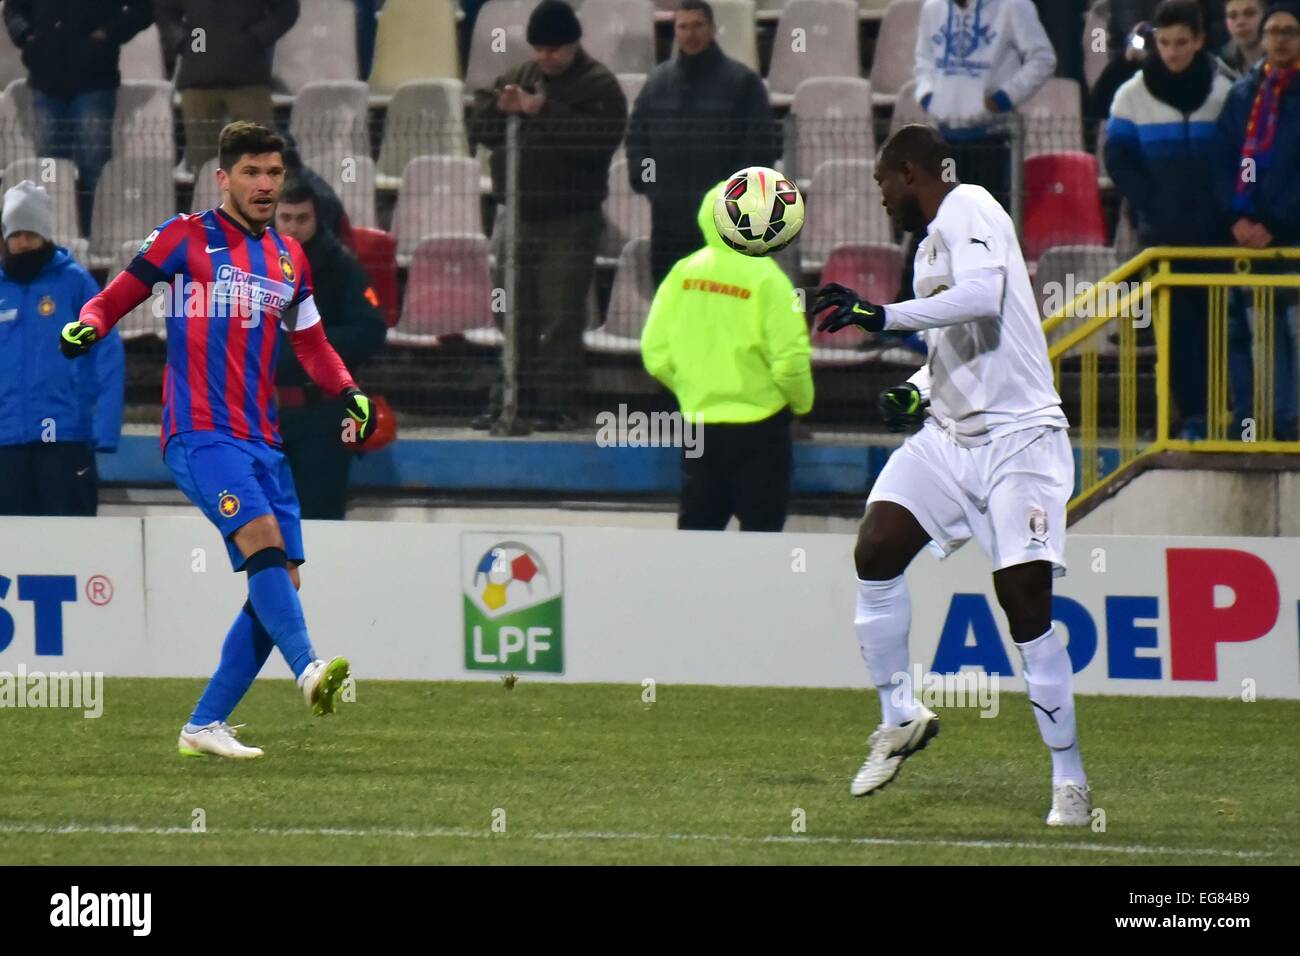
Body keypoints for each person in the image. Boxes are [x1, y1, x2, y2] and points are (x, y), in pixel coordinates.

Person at [59, 122, 379, 759]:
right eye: (252, 173)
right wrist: (89, 322)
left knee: (281, 579)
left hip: (265, 438)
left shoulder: (289, 256)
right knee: (261, 541)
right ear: (223, 177)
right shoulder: (186, 237)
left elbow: (310, 340)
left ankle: (204, 725)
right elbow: (120, 293)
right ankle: (310, 669)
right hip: (200, 432)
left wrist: (347, 388)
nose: (265, 185)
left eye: (274, 173)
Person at [812, 125, 1090, 826]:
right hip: (951, 438)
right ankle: (899, 715)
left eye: (882, 184)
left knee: (1025, 606)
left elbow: (982, 299)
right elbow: (955, 345)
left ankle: (1069, 780)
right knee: (876, 549)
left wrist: (879, 315)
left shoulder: (970, 206)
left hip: (1019, 438)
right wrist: (919, 386)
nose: (880, 199)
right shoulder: (931, 246)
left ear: (909, 173)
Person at [469, 0, 627, 432]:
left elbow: (599, 141)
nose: (546, 57)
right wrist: (498, 109)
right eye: (540, 49)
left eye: (555, 49)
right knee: (513, 312)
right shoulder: (519, 77)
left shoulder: (599, 86)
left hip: (570, 219)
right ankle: (509, 398)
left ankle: (556, 403)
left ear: (575, 44)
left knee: (560, 313)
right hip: (517, 212)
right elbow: (480, 128)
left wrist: (542, 111)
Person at [640, 181, 813, 531]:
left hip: (699, 422)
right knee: (761, 538)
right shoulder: (771, 280)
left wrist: (691, 388)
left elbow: (654, 353)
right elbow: (791, 360)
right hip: (761, 427)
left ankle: (695, 589)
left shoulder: (682, 273)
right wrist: (801, 403)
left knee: (697, 538)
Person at [1106, 0, 1235, 439]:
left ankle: (1231, 417)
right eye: (1164, 43)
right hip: (1162, 240)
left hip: (1220, 239)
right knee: (1177, 337)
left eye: (1182, 42)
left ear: (1199, 41)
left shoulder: (1226, 91)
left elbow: (1242, 156)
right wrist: (1152, 202)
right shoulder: (1130, 95)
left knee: (1225, 332)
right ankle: (1193, 418)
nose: (1173, 51)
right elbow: (1118, 158)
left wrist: (1228, 207)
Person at [626, 0, 779, 286]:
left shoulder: (742, 82)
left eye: (697, 25)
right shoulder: (657, 82)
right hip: (668, 222)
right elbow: (638, 138)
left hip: (724, 222)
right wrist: (648, 183)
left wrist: (733, 196)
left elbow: (759, 146)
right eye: (683, 27)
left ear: (711, 29)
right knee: (671, 299)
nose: (690, 33)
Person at [0, 181, 123, 515]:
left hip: (64, 441)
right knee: (11, 551)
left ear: (44, 234)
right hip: (6, 444)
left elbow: (107, 353)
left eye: (31, 233)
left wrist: (106, 429)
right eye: (16, 233)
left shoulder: (74, 283)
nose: (23, 242)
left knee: (71, 547)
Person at [274, 178, 387, 519]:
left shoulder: (341, 267)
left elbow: (371, 330)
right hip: (263, 416)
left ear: (316, 218)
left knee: (320, 527)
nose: (293, 227)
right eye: (286, 217)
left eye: (302, 218)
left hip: (321, 418)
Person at [1215, 0, 1300, 440]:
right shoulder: (1244, 95)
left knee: (1296, 331)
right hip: (1249, 239)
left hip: (1291, 240)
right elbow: (1223, 161)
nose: (1280, 40)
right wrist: (1238, 218)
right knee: (1261, 334)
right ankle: (1267, 425)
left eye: (1289, 32)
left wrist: (1277, 224)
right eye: (1274, 32)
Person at [2, 1, 153, 231]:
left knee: (93, 163)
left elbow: (142, 9)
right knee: (49, 166)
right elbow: (13, 9)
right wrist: (28, 36)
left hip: (95, 79)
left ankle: (95, 233)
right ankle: (53, 232)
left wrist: (109, 33)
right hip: (45, 79)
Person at [914, 0, 1056, 211]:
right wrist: (928, 96)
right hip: (944, 140)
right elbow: (923, 61)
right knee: (946, 223)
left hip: (993, 140)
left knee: (987, 227)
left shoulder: (1014, 6)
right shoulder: (932, 8)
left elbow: (1043, 59)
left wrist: (1003, 97)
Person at [155, 0, 300, 177]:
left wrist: (256, 38)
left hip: (248, 77)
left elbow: (287, 10)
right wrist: (184, 42)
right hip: (198, 77)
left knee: (257, 156)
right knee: (204, 167)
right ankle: (210, 203)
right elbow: (164, 10)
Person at [1221, 0, 1267, 73]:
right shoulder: (1220, 66)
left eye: (1249, 13)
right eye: (1232, 16)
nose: (1240, 22)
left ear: (1266, 16)